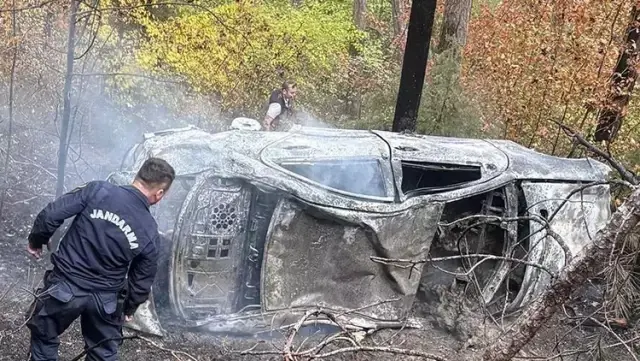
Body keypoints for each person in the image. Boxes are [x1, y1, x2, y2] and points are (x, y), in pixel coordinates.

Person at [25, 157, 175, 361]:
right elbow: (143, 278)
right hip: (105, 301)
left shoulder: (98, 191)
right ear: (159, 195)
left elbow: (51, 215)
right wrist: (129, 306)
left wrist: (37, 240)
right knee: (102, 353)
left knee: (44, 337)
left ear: (137, 176)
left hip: (64, 288)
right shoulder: (149, 228)